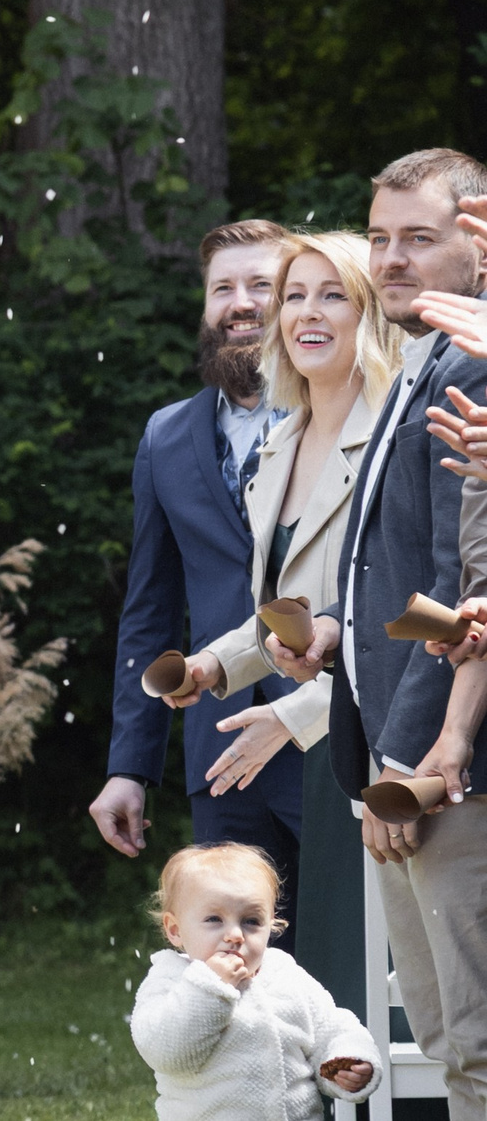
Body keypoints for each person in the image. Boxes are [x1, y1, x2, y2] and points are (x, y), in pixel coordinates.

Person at [269, 148, 487, 1118]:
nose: (391, 258)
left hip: (451, 767)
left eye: (420, 238)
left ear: (475, 247)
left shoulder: (470, 370)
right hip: (398, 753)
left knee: (474, 1040)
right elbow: (396, 566)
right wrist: (330, 628)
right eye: (382, 236)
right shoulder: (416, 363)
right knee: (443, 1035)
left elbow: (460, 581)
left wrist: (406, 759)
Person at [162, 231, 396, 1007]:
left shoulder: (393, 431)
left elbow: (390, 614)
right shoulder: (282, 442)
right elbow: (282, 613)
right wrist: (216, 668)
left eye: (333, 295)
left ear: (370, 313)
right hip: (306, 734)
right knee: (291, 990)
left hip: (371, 747)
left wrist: (292, 718)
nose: (306, 313)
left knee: (354, 981)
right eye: (295, 296)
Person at [89, 220, 299, 935]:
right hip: (219, 750)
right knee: (233, 969)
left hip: (330, 730)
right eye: (222, 289)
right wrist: (131, 766)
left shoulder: (345, 414)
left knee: (342, 965)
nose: (240, 304)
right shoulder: (166, 437)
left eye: (261, 286)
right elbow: (150, 615)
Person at [127, 842, 374, 1119]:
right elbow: (166, 1051)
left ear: (272, 925)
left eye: (251, 921)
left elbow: (332, 1025)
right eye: (214, 919)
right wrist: (211, 987)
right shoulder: (172, 978)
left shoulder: (284, 974)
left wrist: (345, 1058)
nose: (235, 934)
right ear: (175, 930)